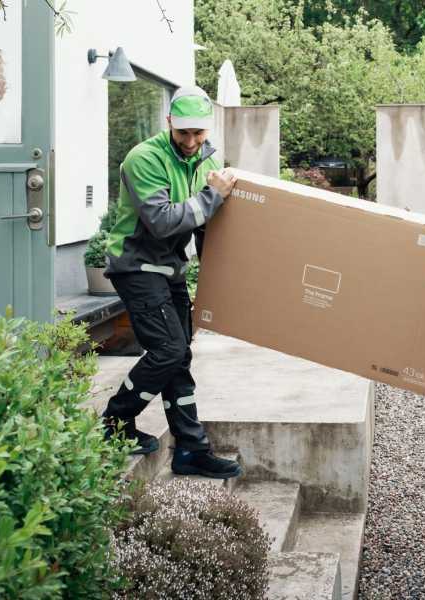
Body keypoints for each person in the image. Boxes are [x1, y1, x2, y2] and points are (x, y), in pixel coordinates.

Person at [100, 85, 241, 480]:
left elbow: (202, 224)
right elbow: (162, 221)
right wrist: (213, 196)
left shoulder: (201, 160)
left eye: (199, 134)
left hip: (171, 269)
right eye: (184, 134)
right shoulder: (144, 158)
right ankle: (114, 422)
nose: (192, 142)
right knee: (167, 349)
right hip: (137, 266)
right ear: (169, 125)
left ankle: (191, 450)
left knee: (180, 356)